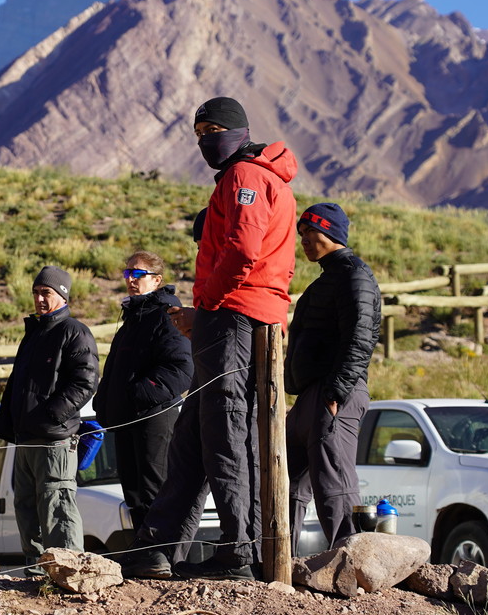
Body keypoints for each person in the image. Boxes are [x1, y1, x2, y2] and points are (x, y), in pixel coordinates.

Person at [123, 96, 298, 581]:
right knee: (194, 434)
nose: (205, 139)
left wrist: (208, 307)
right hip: (237, 316)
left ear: (238, 131)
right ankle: (158, 546)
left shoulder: (245, 176)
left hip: (236, 317)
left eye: (213, 129)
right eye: (198, 131)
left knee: (226, 430)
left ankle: (239, 550)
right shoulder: (257, 177)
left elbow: (243, 248)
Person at [285, 203, 381, 552]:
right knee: (286, 484)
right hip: (312, 396)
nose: (305, 241)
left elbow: (361, 335)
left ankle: (353, 568)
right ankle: (279, 565)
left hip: (334, 393)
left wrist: (336, 391)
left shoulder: (355, 275)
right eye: (302, 234)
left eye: (312, 233)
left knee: (334, 485)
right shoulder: (329, 277)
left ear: (332, 234)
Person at [0, 265, 99, 571]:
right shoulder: (34, 334)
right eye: (36, 292)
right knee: (26, 509)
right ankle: (38, 570)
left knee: (57, 506)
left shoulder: (74, 332)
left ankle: (69, 572)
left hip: (54, 440)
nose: (40, 299)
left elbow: (85, 381)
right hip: (25, 439)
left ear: (63, 296)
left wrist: (52, 415)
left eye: (47, 293)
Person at [94, 251, 193, 532]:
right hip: (128, 419)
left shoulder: (167, 315)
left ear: (157, 280)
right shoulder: (133, 319)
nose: (131, 280)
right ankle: (142, 556)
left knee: (155, 491)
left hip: (154, 417)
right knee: (134, 494)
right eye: (127, 273)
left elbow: (181, 369)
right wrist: (106, 403)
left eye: (138, 274)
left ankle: (160, 557)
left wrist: (137, 395)